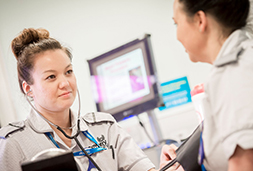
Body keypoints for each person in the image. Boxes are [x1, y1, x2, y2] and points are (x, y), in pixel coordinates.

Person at [0, 28, 160, 171]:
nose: (65, 83)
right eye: (51, 76)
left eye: (68, 71)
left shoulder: (105, 127)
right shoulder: (13, 143)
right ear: (28, 88)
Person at [160, 0, 253, 170]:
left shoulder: (238, 73)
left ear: (200, 20)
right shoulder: (239, 66)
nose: (177, 35)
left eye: (176, 23)